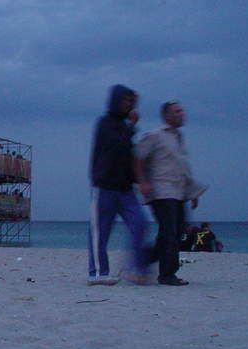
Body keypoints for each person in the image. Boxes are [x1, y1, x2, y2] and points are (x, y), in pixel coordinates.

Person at [136, 100, 208, 286]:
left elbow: (182, 168)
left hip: (178, 192)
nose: (181, 114)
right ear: (167, 115)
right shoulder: (155, 136)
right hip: (161, 191)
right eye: (177, 111)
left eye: (181, 111)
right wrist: (143, 182)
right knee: (169, 233)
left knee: (177, 232)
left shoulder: (178, 138)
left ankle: (142, 258)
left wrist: (193, 193)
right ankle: (167, 274)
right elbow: (138, 157)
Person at [87, 85, 149, 286]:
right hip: (104, 186)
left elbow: (129, 157)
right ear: (116, 100)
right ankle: (98, 273)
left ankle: (136, 268)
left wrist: (141, 181)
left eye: (132, 102)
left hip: (125, 189)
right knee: (100, 233)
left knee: (140, 223)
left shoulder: (125, 127)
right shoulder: (104, 123)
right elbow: (114, 146)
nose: (129, 105)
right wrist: (131, 126)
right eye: (126, 100)